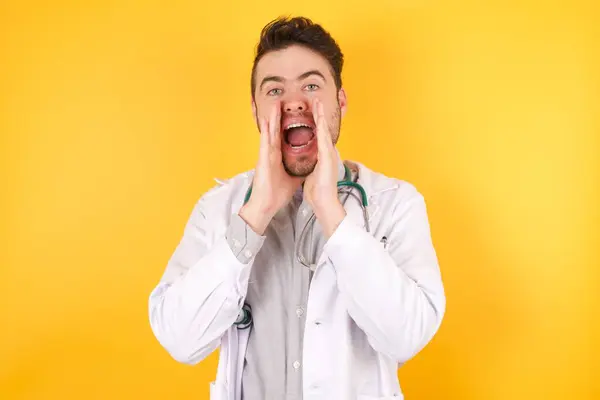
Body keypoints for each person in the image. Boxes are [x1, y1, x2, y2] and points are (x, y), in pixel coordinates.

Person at [148, 16, 446, 400]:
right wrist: (255, 214)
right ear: (256, 110)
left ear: (340, 101)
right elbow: (179, 339)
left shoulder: (396, 203)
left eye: (311, 85)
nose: (294, 102)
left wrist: (332, 213)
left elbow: (407, 337)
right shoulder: (219, 209)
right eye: (274, 90)